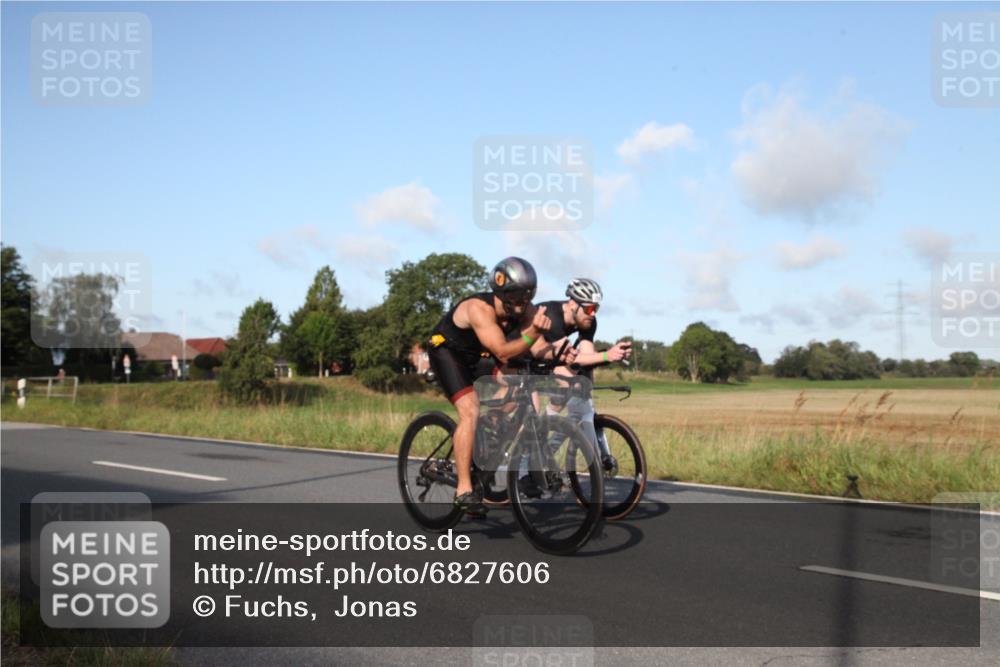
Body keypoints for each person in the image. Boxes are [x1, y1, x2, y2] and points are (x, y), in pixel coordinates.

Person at [427, 257, 571, 513]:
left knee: (520, 387)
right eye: (515, 295)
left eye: (527, 295)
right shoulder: (479, 309)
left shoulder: (527, 309)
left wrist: (560, 355)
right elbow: (504, 352)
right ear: (500, 291)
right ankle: (463, 489)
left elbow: (537, 348)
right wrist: (534, 333)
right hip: (448, 353)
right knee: (470, 410)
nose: (521, 302)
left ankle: (490, 431)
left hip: (480, 355)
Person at [533, 278, 631, 473]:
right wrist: (607, 355)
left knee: (573, 391)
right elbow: (574, 359)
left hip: (551, 356)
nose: (592, 313)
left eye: (596, 308)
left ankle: (545, 452)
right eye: (588, 309)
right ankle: (533, 452)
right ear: (572, 304)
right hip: (525, 354)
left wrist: (607, 360)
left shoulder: (589, 322)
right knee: (535, 415)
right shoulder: (552, 315)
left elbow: (587, 357)